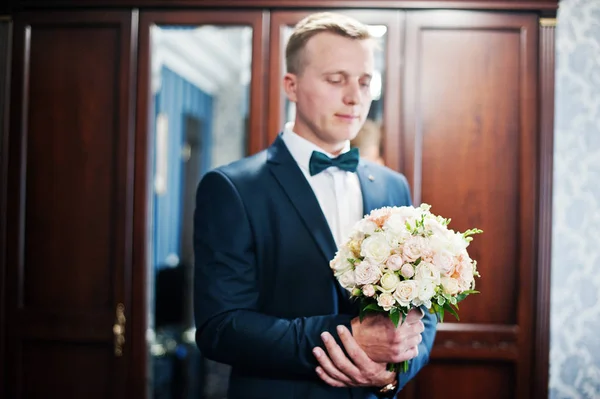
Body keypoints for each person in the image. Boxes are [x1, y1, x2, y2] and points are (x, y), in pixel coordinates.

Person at [193, 12, 437, 399]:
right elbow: (220, 328)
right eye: (336, 79)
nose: (355, 97)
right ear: (291, 85)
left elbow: (425, 310)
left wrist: (391, 376)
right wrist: (348, 338)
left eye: (365, 81)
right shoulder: (232, 188)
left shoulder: (393, 185)